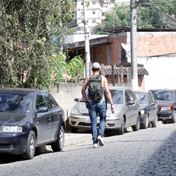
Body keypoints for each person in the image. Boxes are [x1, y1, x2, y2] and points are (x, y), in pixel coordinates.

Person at [82, 62, 115, 148]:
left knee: (93, 121)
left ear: (92, 69)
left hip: (91, 103)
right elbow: (107, 92)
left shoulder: (88, 79)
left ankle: (95, 142)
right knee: (103, 119)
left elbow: (83, 90)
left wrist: (86, 101)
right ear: (99, 69)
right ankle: (100, 135)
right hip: (101, 103)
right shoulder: (103, 79)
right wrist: (112, 104)